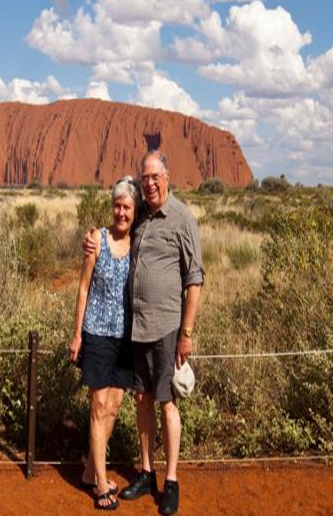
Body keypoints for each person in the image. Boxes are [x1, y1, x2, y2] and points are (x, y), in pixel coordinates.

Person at [84, 151, 204, 515]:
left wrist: (187, 331)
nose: (150, 183)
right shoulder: (142, 217)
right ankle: (146, 472)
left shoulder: (182, 218)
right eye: (145, 177)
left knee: (167, 403)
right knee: (141, 401)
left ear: (167, 177)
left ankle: (171, 481)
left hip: (167, 328)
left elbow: (195, 277)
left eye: (156, 177)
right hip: (136, 329)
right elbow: (113, 232)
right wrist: (89, 240)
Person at [68, 176, 140, 510]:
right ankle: (100, 482)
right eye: (117, 206)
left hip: (125, 338)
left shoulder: (138, 242)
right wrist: (77, 332)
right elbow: (83, 287)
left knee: (113, 407)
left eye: (127, 207)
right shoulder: (97, 239)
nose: (121, 212)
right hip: (97, 333)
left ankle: (88, 470)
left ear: (134, 210)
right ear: (111, 207)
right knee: (98, 407)